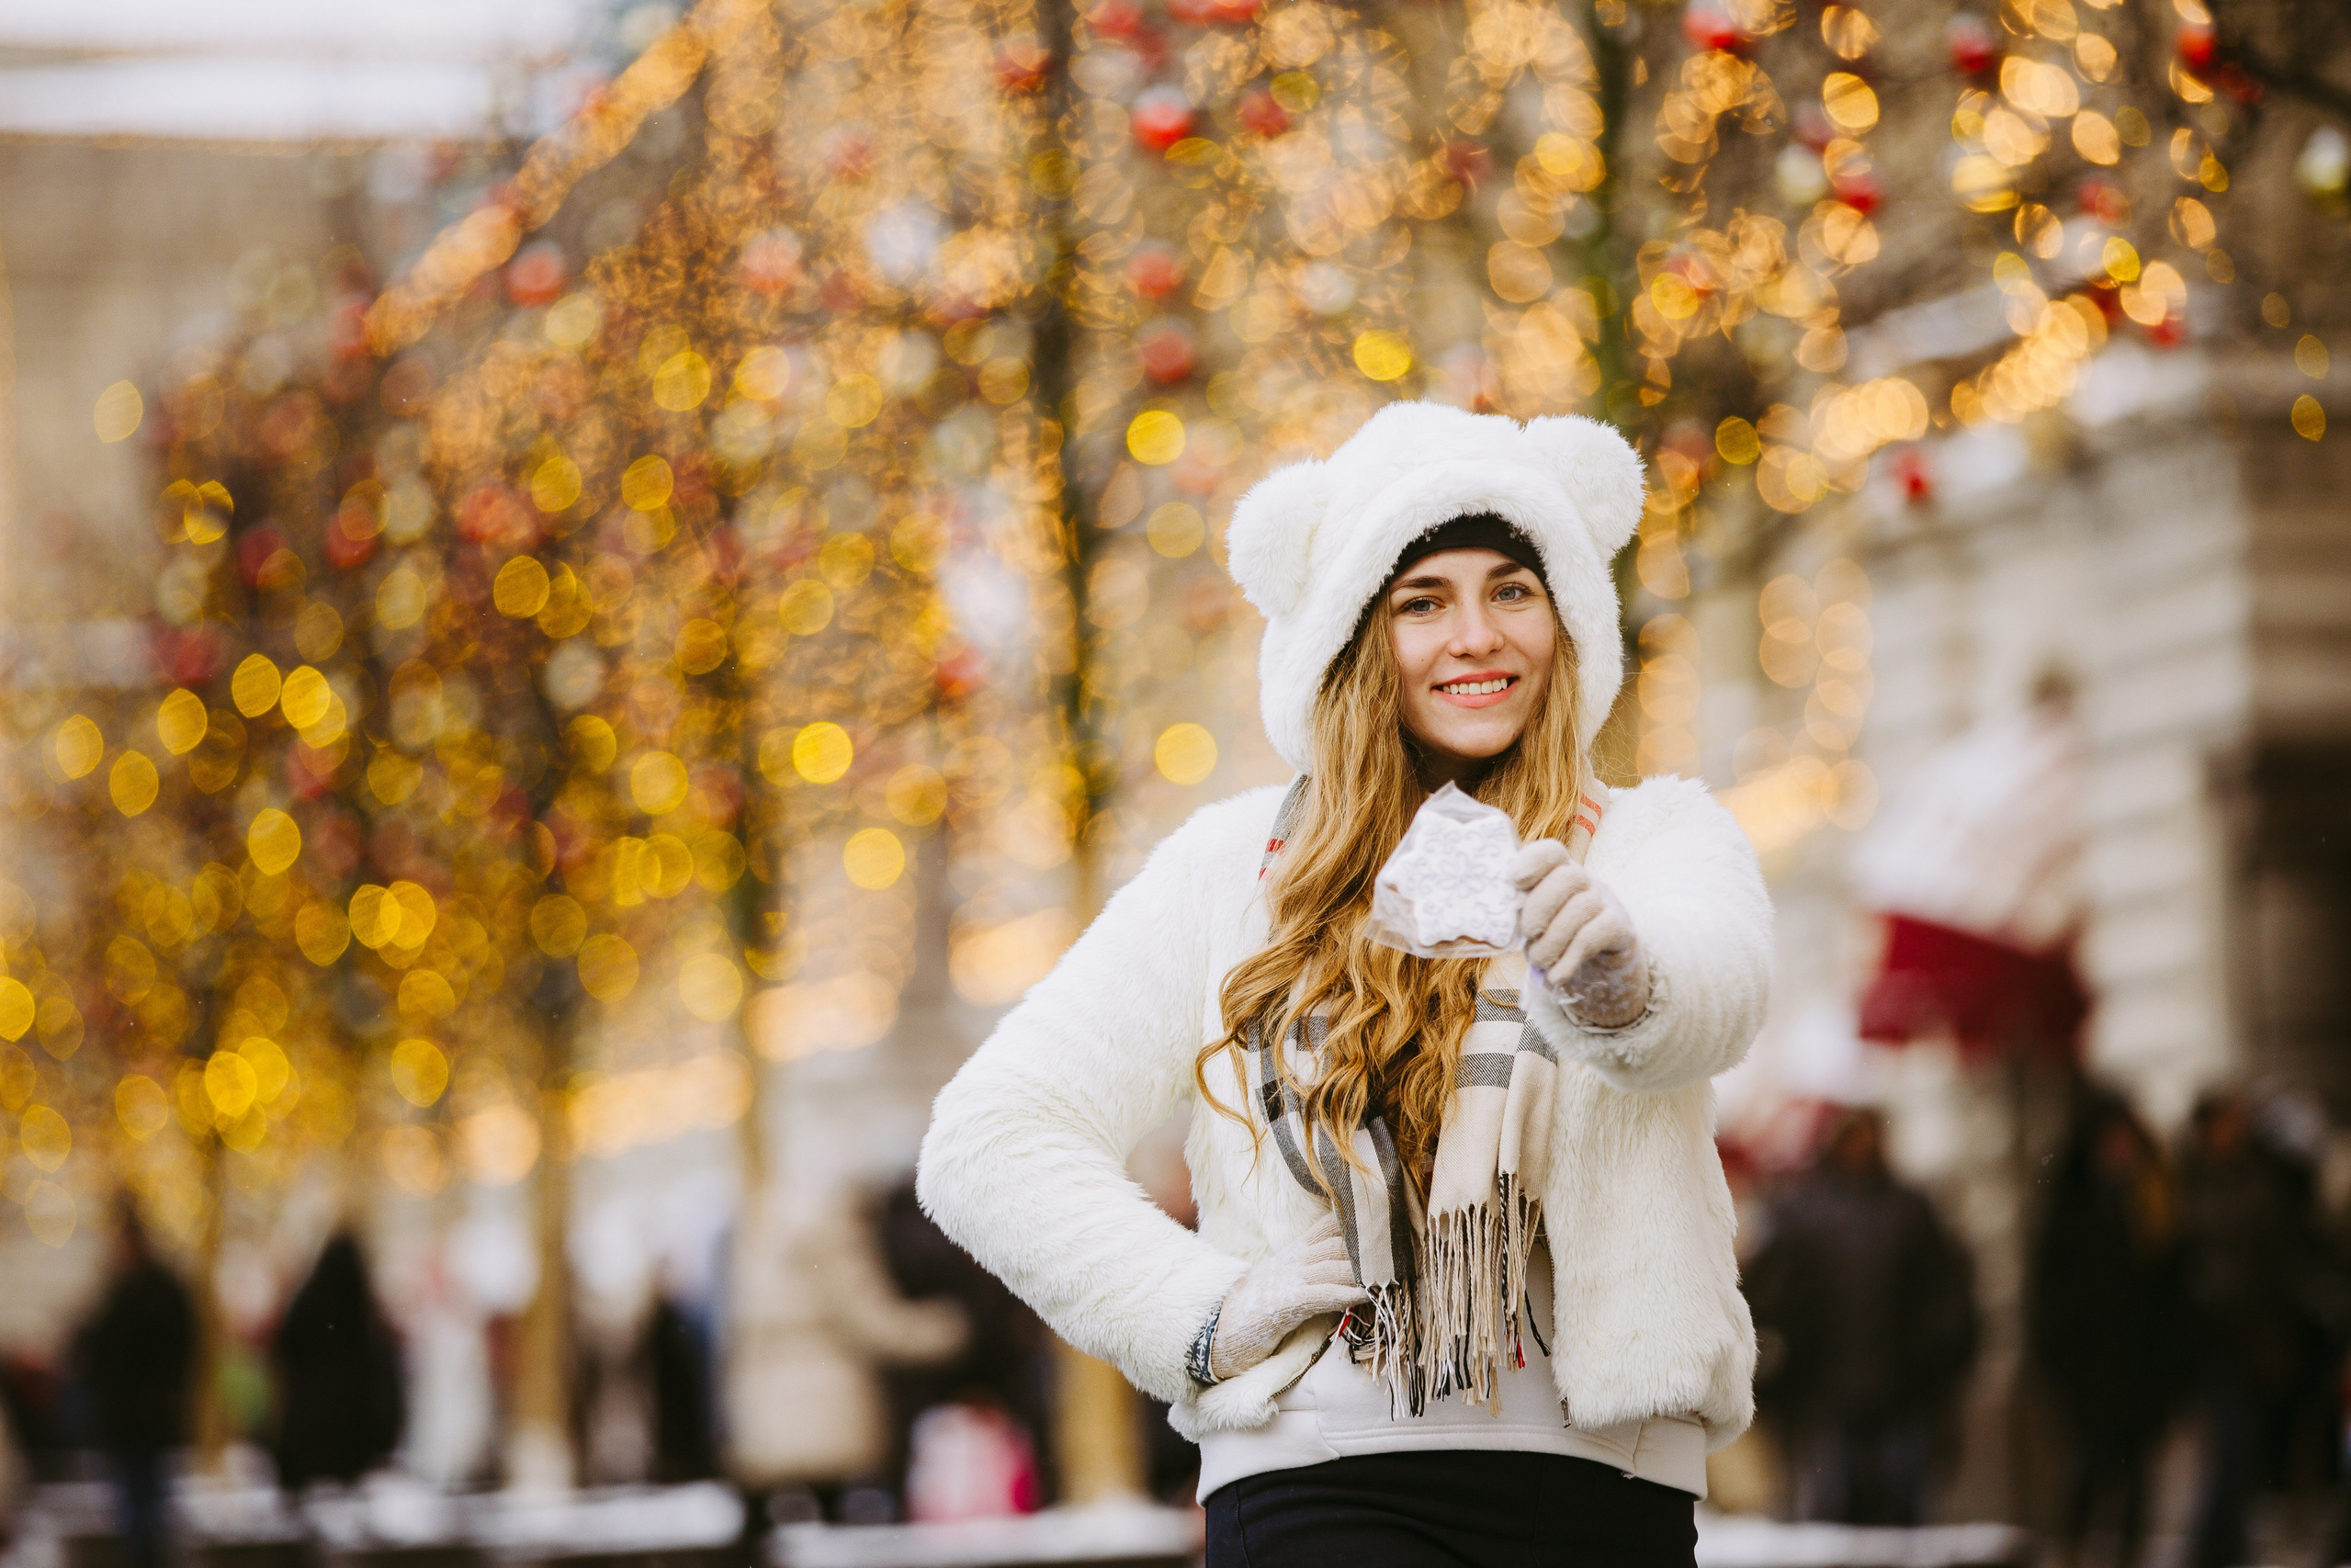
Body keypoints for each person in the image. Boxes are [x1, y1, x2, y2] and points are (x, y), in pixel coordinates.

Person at [919, 403, 1773, 1567]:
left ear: (1568, 616)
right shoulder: (1234, 871)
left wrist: (1624, 984)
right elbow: (990, 1138)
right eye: (1423, 601)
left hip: (1605, 1487)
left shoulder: (1641, 840)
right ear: (1353, 637)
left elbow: (1719, 987)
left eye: (1513, 590)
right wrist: (1207, 1315)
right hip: (1323, 1479)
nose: (1476, 635)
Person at [1744, 1108, 1977, 1526]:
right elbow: (1771, 1293)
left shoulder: (1908, 1209)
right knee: (1835, 1514)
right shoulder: (1802, 1211)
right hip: (1827, 1392)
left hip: (1900, 1388)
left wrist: (1935, 1355)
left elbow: (1943, 1292)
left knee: (1901, 1510)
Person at [2026, 1088, 2186, 1568]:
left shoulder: (2151, 1201)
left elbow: (2169, 1287)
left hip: (2140, 1368)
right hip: (2089, 1369)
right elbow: (2049, 1291)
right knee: (2091, 1472)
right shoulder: (2072, 1204)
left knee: (2136, 1479)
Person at [72, 1201, 195, 1568]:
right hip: (138, 1417)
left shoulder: (140, 1291)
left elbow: (109, 1350)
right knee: (141, 1502)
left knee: (141, 1504)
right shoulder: (149, 1288)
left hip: (137, 1418)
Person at [270, 1230, 406, 1492]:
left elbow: (282, 1350)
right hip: (353, 1443)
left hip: (306, 1438)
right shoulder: (366, 1318)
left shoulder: (307, 1307)